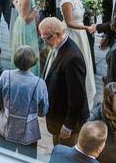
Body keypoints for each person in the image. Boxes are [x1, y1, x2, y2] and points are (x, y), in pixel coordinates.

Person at [40, 17, 90, 147]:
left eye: (47, 38)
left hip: (67, 123)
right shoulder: (57, 45)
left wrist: (68, 125)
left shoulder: (72, 59)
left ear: (59, 34)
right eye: (43, 39)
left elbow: (77, 96)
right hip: (57, 117)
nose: (45, 43)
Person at [0, 45, 49, 159]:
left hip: (5, 126)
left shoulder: (5, 75)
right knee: (27, 160)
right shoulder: (39, 83)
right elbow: (43, 110)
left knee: (2, 159)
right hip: (28, 131)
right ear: (33, 62)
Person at [60, 0, 97, 103]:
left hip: (80, 34)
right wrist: (86, 28)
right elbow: (69, 22)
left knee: (84, 61)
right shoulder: (66, 1)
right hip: (72, 35)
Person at [9, 0, 40, 75]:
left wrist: (17, 4)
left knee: (21, 48)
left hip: (19, 24)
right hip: (26, 27)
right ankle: (29, 72)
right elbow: (26, 19)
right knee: (28, 49)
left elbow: (17, 5)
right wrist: (36, 10)